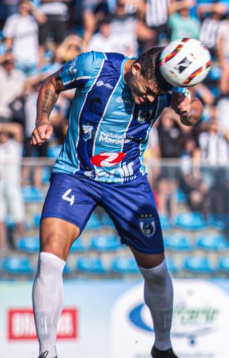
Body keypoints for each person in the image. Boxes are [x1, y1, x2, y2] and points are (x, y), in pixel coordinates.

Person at [29, 46, 203, 358]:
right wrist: (43, 118)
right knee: (49, 258)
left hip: (128, 184)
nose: (151, 99)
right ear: (135, 70)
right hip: (75, 175)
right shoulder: (93, 65)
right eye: (148, 92)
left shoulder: (166, 82)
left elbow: (195, 112)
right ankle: (47, 351)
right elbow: (52, 84)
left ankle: (162, 348)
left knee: (156, 271)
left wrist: (188, 111)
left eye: (157, 95)